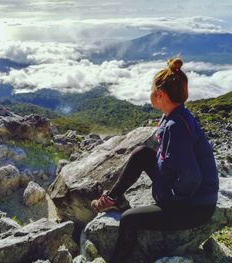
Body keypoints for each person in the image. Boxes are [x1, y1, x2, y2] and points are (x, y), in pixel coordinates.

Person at [91, 58, 219, 263]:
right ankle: (113, 199)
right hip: (192, 195)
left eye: (151, 89)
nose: (149, 92)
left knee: (129, 219)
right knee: (142, 153)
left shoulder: (175, 126)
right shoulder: (175, 115)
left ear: (160, 94)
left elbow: (191, 177)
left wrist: (169, 198)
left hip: (195, 208)